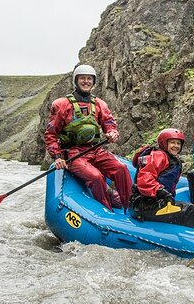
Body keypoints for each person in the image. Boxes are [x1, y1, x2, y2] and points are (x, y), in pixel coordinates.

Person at [44, 64, 132, 211]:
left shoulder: (99, 104)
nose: (86, 81)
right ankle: (106, 210)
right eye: (82, 78)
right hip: (73, 154)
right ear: (76, 81)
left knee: (121, 168)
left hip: (95, 150)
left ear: (94, 82)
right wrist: (57, 157)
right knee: (96, 176)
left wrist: (112, 132)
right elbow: (51, 133)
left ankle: (131, 206)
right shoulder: (62, 105)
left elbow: (109, 123)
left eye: (89, 79)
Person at [128, 128, 194, 229]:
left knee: (187, 209)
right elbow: (144, 180)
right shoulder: (159, 156)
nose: (176, 146)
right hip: (144, 205)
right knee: (190, 211)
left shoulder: (169, 158)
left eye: (178, 143)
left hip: (151, 203)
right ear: (164, 143)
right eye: (172, 143)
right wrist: (160, 191)